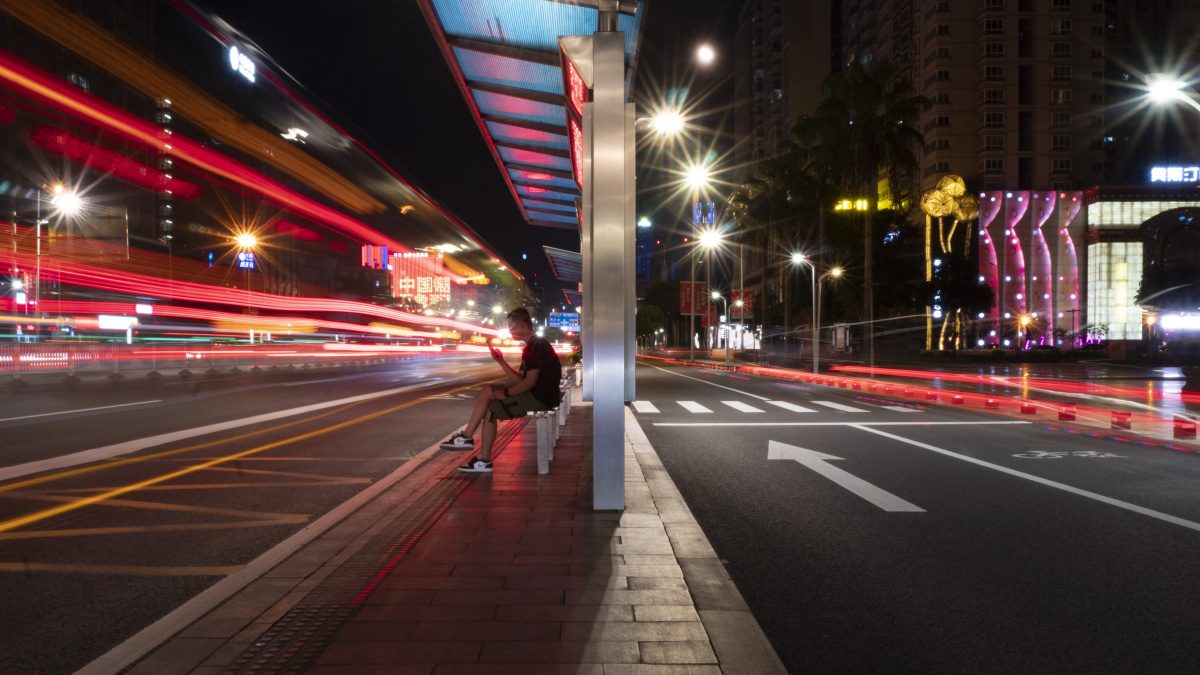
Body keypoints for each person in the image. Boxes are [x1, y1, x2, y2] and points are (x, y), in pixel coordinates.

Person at [441, 307, 562, 473]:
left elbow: (529, 383)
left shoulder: (535, 346)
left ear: (521, 324)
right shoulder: (533, 345)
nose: (509, 329)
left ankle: (469, 441)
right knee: (489, 403)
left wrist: (505, 394)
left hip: (540, 398)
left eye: (511, 325)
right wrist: (501, 361)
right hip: (541, 395)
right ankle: (480, 456)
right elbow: (521, 380)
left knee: (488, 394)